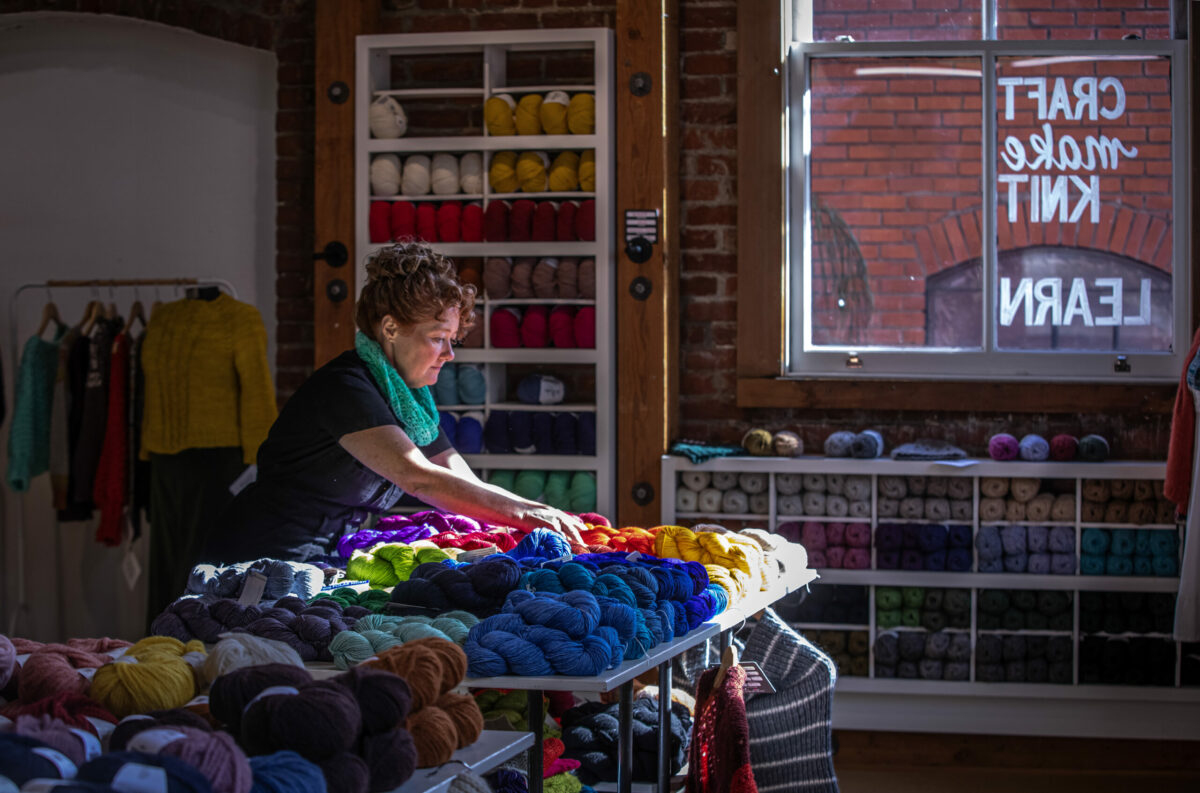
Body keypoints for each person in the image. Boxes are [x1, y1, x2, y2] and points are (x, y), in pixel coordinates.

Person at [201, 241, 587, 563]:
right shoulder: (346, 388)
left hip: (323, 558)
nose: (450, 353)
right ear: (390, 328)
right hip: (257, 561)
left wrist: (546, 515)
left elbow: (461, 481)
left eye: (454, 339)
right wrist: (530, 515)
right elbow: (419, 477)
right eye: (438, 337)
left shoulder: (408, 399)